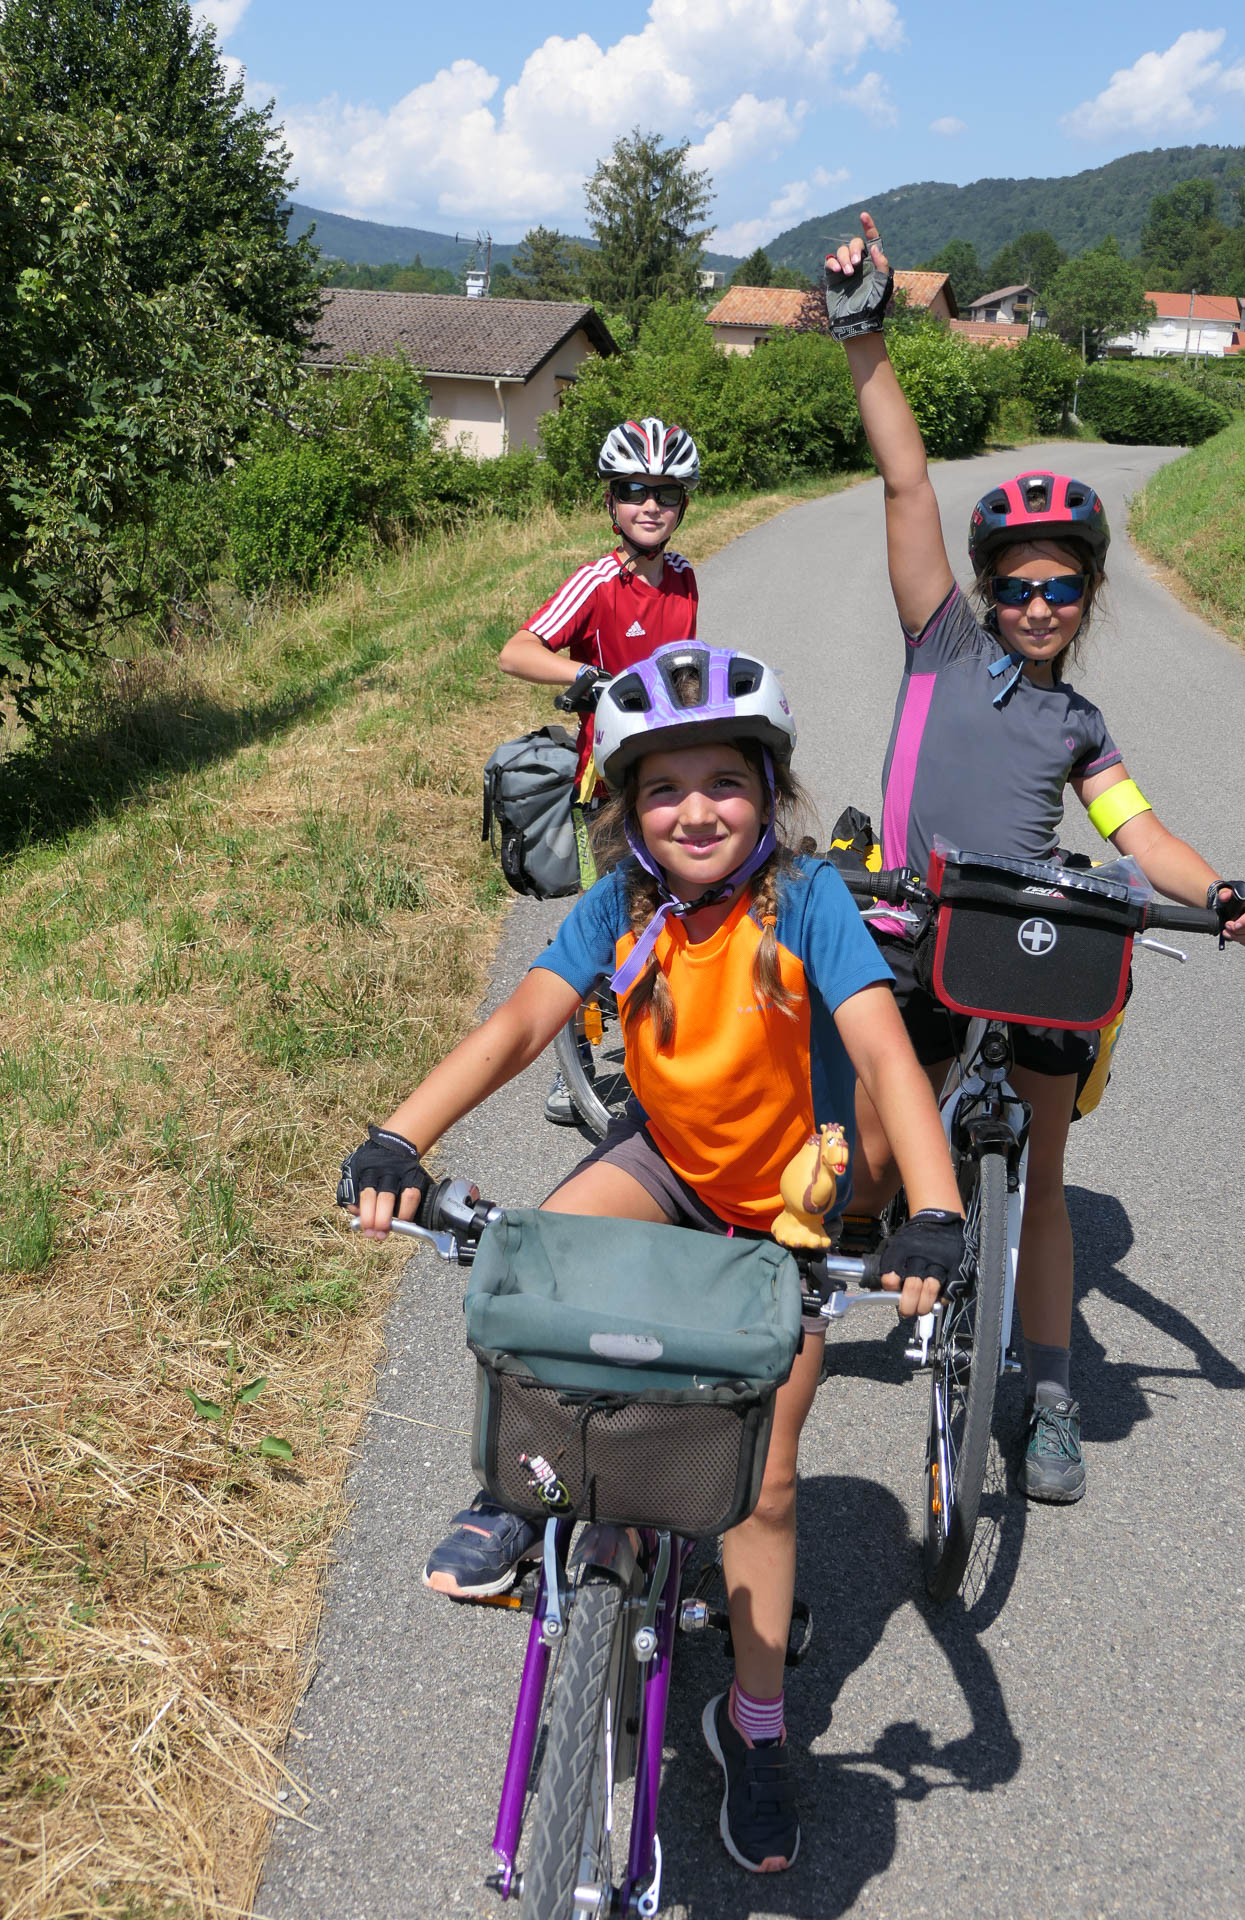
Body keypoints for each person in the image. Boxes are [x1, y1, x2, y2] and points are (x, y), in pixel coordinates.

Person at [342, 641, 966, 1874]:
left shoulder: (805, 900)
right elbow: (521, 1022)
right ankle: (518, 1498)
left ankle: (755, 1727)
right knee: (537, 1261)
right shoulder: (620, 903)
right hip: (669, 1165)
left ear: (768, 792)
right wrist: (400, 1136)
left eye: (723, 782)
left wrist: (932, 1210)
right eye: (663, 788)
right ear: (627, 808)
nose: (694, 811)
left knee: (764, 1484)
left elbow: (885, 1056)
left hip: (786, 1212)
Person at [825, 211, 1245, 1506]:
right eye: (1015, 587)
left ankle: (1053, 1396)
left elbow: (1140, 834)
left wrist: (1219, 891)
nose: (1034, 606)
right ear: (986, 592)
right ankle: (815, 1278)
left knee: (1043, 1177)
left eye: (1058, 589)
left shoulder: (1081, 726)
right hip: (912, 929)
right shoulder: (940, 646)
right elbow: (906, 482)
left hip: (1020, 945)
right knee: (869, 1156)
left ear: (1086, 598)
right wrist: (864, 339)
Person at [497, 417, 701, 1123]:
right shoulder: (597, 581)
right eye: (634, 490)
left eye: (666, 493)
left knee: (677, 910)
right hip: (608, 787)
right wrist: (585, 676)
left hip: (670, 777)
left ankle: (666, 1045)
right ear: (611, 501)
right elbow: (517, 651)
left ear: (683, 504)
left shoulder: (684, 578)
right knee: (609, 918)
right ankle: (574, 1065)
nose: (650, 505)